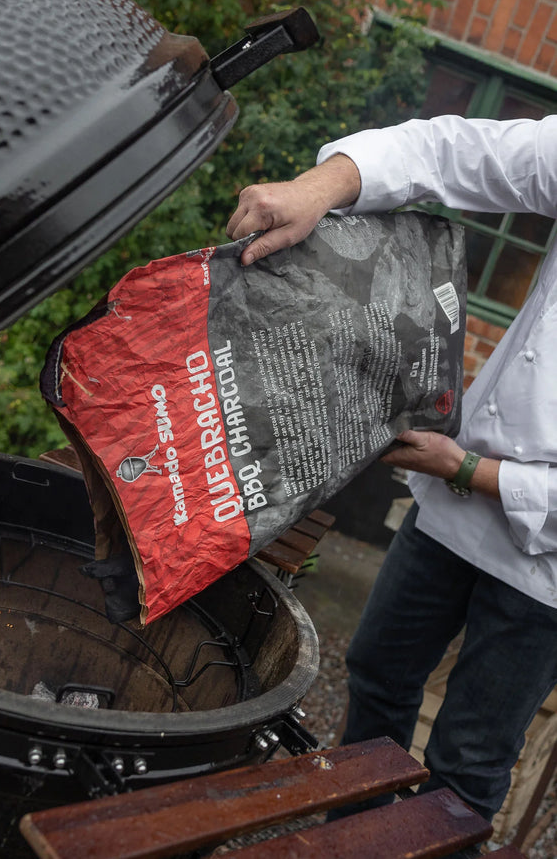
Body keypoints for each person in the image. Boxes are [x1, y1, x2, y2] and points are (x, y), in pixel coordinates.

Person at [226, 115, 557, 824]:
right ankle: (355, 838)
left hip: (546, 570)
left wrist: (467, 466)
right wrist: (319, 189)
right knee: (378, 675)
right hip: (452, 510)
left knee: (467, 761)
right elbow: (449, 150)